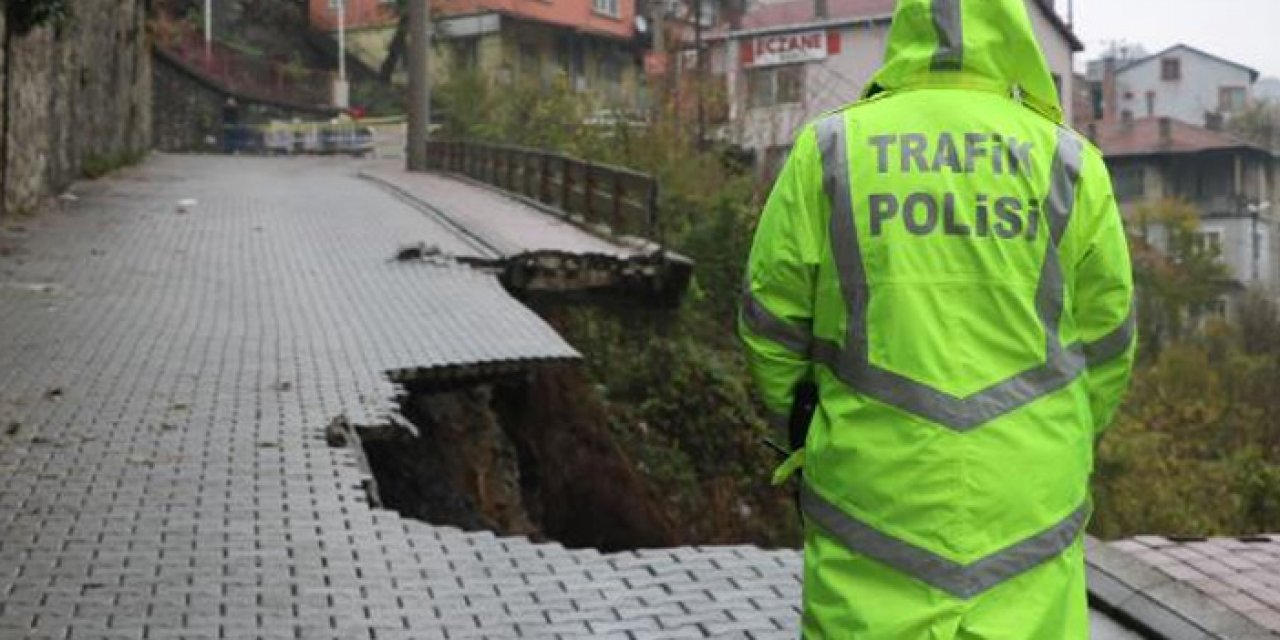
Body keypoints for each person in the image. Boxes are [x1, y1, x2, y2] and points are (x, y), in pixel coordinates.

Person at [739, 0, 1136, 637]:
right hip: (1026, 501)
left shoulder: (831, 149)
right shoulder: (1068, 162)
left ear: (908, 27)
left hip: (871, 497)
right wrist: (1060, 437)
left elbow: (770, 324)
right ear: (1014, 31)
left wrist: (811, 430)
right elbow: (1110, 343)